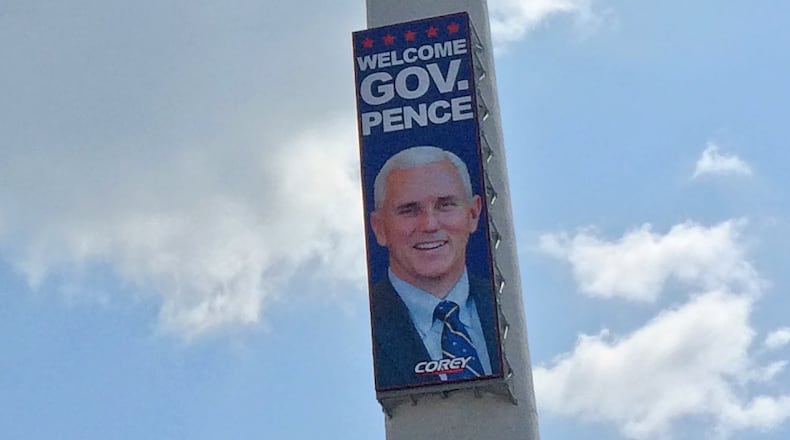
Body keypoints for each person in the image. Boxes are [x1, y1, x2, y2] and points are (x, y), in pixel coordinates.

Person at [368, 145, 501, 390]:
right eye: (409, 210)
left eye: (445, 205)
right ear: (379, 228)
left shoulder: (504, 307)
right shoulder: (367, 326)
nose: (429, 224)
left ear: (473, 214)